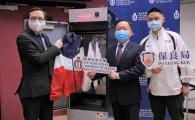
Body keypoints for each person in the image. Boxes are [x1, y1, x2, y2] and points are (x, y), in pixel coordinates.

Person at [140, 7, 191, 120]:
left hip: (174, 89)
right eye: (150, 19)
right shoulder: (144, 42)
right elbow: (142, 68)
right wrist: (151, 71)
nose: (153, 21)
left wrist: (186, 84)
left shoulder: (174, 37)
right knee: (158, 117)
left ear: (163, 19)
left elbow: (184, 62)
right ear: (147, 21)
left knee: (177, 117)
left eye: (156, 18)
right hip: (155, 89)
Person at [88, 19, 145, 120]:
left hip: (130, 97)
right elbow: (106, 68)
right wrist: (95, 75)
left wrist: (118, 75)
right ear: (115, 32)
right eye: (118, 29)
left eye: (124, 29)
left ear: (131, 32)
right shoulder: (110, 49)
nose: (121, 31)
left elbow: (139, 69)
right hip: (115, 96)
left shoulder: (138, 48)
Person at [15, 7, 63, 120]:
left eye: (40, 18)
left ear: (45, 22)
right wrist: (56, 47)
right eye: (33, 18)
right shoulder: (23, 38)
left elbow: (52, 53)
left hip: (46, 90)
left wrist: (68, 45)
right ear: (28, 21)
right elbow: (39, 59)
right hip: (32, 92)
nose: (37, 21)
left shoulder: (44, 36)